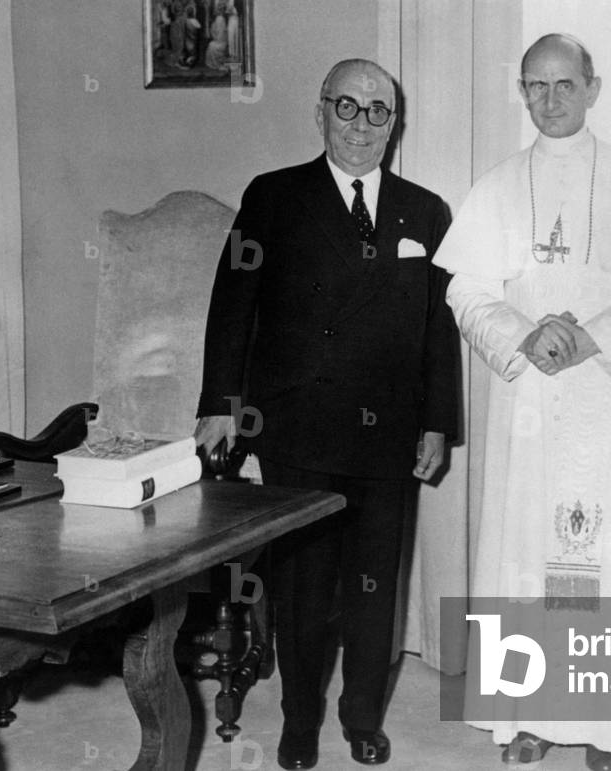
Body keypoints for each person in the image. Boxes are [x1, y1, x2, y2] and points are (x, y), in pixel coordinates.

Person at [433, 34, 611, 771]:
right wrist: (524, 335)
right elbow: (465, 287)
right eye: (534, 86)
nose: (548, 100)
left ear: (592, 87)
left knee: (600, 567)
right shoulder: (496, 184)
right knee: (528, 563)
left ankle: (606, 727)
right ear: (521, 92)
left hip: (603, 403)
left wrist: (592, 339)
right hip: (529, 408)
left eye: (563, 85)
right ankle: (532, 717)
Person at [195, 59, 458, 769]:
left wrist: (437, 422)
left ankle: (363, 717)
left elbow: (439, 329)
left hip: (390, 433)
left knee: (376, 590)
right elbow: (234, 305)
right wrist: (221, 405)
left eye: (379, 111)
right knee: (303, 591)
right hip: (297, 426)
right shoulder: (274, 196)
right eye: (348, 107)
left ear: (394, 123)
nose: (362, 124)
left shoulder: (425, 211)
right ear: (321, 112)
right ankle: (299, 721)